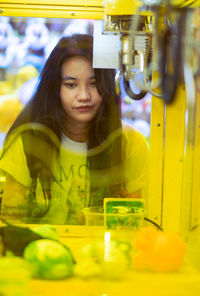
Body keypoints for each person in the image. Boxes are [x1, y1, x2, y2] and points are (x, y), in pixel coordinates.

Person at [0, 34, 149, 225]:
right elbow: (11, 223)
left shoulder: (130, 143)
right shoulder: (27, 141)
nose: (84, 96)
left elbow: (136, 224)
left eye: (94, 84)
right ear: (55, 89)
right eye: (71, 85)